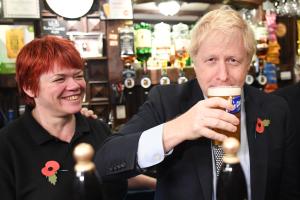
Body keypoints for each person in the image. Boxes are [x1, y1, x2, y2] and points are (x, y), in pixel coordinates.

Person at [95, 6, 299, 200]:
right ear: (195, 62)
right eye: (211, 60)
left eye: (233, 60)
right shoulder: (167, 101)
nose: (223, 75)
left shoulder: (276, 110)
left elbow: (290, 191)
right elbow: (105, 161)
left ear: (248, 63)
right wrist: (178, 128)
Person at [0, 35, 155, 200]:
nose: (75, 86)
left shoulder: (97, 129)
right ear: (30, 88)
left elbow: (112, 174)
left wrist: (158, 185)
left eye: (78, 76)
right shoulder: (7, 145)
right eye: (59, 79)